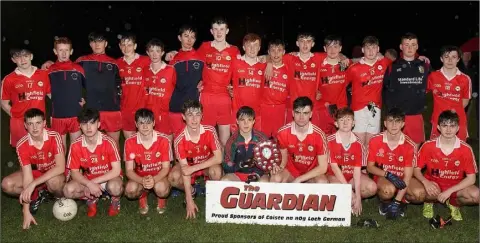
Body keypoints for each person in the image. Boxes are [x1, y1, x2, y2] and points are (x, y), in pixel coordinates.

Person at [167, 17, 240, 146]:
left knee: (225, 140)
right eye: (216, 29)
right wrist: (173, 53)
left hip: (225, 98)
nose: (219, 32)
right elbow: (188, 55)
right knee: (207, 138)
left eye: (222, 29)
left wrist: (266, 59)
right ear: (211, 31)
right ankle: (207, 165)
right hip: (206, 97)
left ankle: (225, 166)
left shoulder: (234, 50)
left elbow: (246, 64)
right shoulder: (204, 47)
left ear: (227, 31)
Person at [406, 110, 479, 221]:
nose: (448, 130)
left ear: (458, 128)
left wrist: (450, 191)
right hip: (433, 185)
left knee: (476, 195)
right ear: (438, 127)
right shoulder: (428, 146)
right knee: (418, 193)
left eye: (452, 126)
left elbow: (471, 178)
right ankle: (429, 202)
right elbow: (416, 169)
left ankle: (454, 204)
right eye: (444, 125)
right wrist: (426, 182)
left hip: (455, 186)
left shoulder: (465, 149)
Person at [1, 108, 65, 230]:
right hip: (37, 174)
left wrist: (34, 183)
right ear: (25, 125)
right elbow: (27, 176)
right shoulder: (22, 144)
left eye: (38, 123)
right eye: (30, 124)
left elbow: (60, 167)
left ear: (44, 123)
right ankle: (36, 197)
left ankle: (57, 196)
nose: (35, 127)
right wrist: (25, 211)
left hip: (54, 173)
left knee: (54, 182)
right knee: (6, 184)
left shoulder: (54, 136)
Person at [63, 108, 123, 217]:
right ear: (79, 126)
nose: (88, 127)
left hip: (108, 179)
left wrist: (93, 182)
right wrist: (88, 183)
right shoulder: (75, 145)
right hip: (88, 180)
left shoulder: (109, 142)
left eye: (92, 123)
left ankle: (115, 199)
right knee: (68, 190)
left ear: (99, 124)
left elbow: (116, 170)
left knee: (116, 187)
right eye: (84, 123)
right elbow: (74, 172)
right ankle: (91, 199)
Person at [169, 99, 222, 219]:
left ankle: (212, 193)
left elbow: (218, 158)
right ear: (183, 117)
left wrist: (194, 168)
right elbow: (185, 170)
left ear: (202, 116)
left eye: (197, 114)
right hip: (188, 165)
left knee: (216, 171)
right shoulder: (179, 138)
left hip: (205, 165)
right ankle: (192, 191)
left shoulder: (210, 130)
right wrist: (189, 199)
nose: (194, 119)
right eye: (190, 115)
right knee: (173, 178)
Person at [326, 107, 377, 216]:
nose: (345, 123)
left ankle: (354, 201)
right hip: (334, 176)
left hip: (350, 177)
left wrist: (358, 196)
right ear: (336, 123)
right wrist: (349, 191)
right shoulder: (329, 141)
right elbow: (335, 169)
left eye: (348, 119)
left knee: (372, 187)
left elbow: (357, 171)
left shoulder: (358, 144)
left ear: (353, 123)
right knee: (339, 188)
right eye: (341, 120)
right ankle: (346, 200)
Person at [366, 108, 416, 220]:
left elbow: (407, 177)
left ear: (403, 124)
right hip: (384, 177)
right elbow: (370, 167)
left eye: (397, 121)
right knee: (388, 191)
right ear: (385, 123)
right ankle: (385, 201)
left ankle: (401, 202)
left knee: (419, 194)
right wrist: (388, 174)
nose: (394, 125)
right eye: (390, 121)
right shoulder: (375, 140)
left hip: (402, 179)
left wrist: (397, 202)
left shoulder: (410, 145)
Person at [383, 33, 431, 146]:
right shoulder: (392, 66)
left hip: (415, 115)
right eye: (407, 45)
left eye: (413, 45)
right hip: (397, 116)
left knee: (414, 150)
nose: (410, 48)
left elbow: (430, 86)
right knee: (395, 149)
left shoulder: (424, 66)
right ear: (401, 47)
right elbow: (385, 88)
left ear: (417, 46)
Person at [75, 32, 122, 145]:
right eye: (94, 42)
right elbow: (67, 69)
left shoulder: (115, 63)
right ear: (90, 44)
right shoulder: (82, 61)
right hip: (90, 109)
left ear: (105, 43)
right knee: (91, 143)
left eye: (100, 41)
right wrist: (51, 62)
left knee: (113, 144)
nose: (97, 44)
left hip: (111, 108)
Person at [346, 36, 392, 148]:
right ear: (363, 50)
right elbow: (342, 84)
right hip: (358, 109)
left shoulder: (385, 63)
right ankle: (358, 165)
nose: (371, 51)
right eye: (368, 48)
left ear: (378, 49)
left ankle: (368, 166)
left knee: (372, 142)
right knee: (359, 142)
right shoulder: (354, 68)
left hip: (374, 108)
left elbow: (397, 63)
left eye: (373, 48)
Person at [270, 97, 329, 183]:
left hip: (311, 173)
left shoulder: (319, 135)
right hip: (290, 172)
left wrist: (300, 179)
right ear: (293, 113)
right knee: (276, 178)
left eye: (305, 113)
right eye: (298, 112)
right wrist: (278, 167)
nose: (301, 117)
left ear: (311, 114)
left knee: (322, 182)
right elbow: (283, 160)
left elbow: (323, 167)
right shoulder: (283, 132)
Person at [124, 108, 172, 215]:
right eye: (141, 123)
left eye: (148, 123)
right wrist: (142, 181)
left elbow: (166, 168)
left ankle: (161, 198)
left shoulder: (163, 140)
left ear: (154, 123)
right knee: (130, 190)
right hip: (141, 176)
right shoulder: (130, 142)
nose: (145, 127)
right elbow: (128, 170)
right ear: (136, 124)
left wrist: (154, 180)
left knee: (162, 189)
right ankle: (142, 195)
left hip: (159, 175)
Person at [1, 47, 51, 147]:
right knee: (23, 155)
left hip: (39, 122)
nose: (23, 60)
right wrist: (18, 117)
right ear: (13, 60)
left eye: (25, 56)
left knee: (43, 152)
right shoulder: (8, 79)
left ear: (31, 56)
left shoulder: (43, 74)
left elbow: (52, 95)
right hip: (19, 124)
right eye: (18, 57)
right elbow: (4, 103)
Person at [47, 37, 86, 148]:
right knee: (60, 149)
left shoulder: (78, 69)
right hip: (57, 116)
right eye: (60, 50)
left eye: (66, 50)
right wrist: (54, 99)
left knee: (76, 147)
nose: (64, 53)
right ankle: (62, 166)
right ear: (55, 51)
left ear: (71, 51)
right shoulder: (49, 70)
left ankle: (74, 166)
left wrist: (84, 98)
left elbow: (88, 87)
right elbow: (44, 89)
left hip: (76, 115)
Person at [427, 45, 472, 141]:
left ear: (458, 59)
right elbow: (421, 90)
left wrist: (452, 113)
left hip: (458, 120)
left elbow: (465, 101)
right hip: (438, 120)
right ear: (441, 59)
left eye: (453, 57)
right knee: (436, 151)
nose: (450, 60)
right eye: (446, 57)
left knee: (458, 151)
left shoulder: (465, 78)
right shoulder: (433, 76)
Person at [169, 24, 204, 134]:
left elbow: (209, 76)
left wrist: (204, 81)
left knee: (193, 139)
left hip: (194, 107)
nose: (189, 40)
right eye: (186, 36)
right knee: (177, 139)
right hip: (176, 105)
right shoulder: (173, 59)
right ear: (179, 38)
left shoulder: (201, 57)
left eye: (192, 37)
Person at [222, 106, 270, 182]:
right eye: (242, 120)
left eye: (249, 120)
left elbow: (268, 162)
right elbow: (226, 165)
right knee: (225, 180)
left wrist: (257, 173)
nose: (246, 123)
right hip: (237, 175)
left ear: (254, 121)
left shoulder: (261, 138)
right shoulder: (232, 141)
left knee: (264, 182)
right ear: (237, 121)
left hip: (257, 174)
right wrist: (240, 165)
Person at [116, 33, 151, 139]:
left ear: (135, 46)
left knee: (146, 141)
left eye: (129, 45)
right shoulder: (116, 64)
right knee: (130, 142)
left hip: (144, 108)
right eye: (123, 45)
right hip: (125, 109)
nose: (126, 48)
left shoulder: (146, 60)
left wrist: (173, 53)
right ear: (119, 46)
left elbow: (162, 68)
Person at [315, 35, 351, 135]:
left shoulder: (347, 65)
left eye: (335, 46)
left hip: (341, 109)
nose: (332, 50)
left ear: (340, 48)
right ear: (324, 48)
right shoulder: (318, 63)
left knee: (340, 139)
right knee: (323, 138)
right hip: (323, 109)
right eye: (329, 46)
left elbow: (363, 61)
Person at [230, 33, 266, 131]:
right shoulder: (235, 63)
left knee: (256, 144)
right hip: (238, 112)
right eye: (249, 46)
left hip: (256, 114)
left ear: (259, 48)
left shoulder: (264, 66)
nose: (252, 49)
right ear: (243, 47)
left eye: (255, 45)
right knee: (237, 144)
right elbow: (222, 77)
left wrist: (269, 62)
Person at [144, 38, 177, 139]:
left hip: (165, 115)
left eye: (157, 51)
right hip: (149, 115)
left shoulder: (171, 70)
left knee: (167, 146)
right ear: (147, 53)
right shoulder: (145, 70)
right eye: (151, 51)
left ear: (162, 53)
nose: (154, 54)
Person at [259, 39, 289, 138]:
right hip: (264, 108)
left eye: (279, 50)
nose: (276, 53)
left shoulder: (289, 68)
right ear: (268, 52)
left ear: (284, 52)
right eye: (273, 50)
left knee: (280, 139)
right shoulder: (262, 66)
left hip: (280, 109)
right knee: (262, 139)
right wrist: (268, 63)